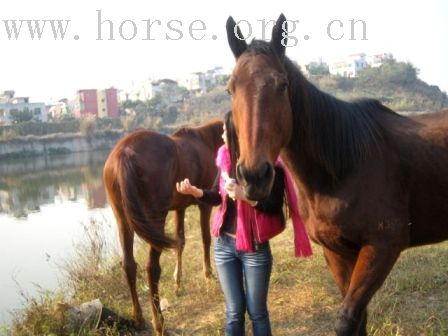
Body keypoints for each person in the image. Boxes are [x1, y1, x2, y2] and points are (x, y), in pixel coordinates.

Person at [176, 112, 312, 336]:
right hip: (223, 247)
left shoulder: (268, 166)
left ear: (236, 132)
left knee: (257, 312)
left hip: (255, 250)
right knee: (233, 312)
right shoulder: (223, 159)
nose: (220, 134)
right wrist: (195, 192)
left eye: (224, 130)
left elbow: (274, 205)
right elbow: (218, 196)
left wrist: (244, 196)